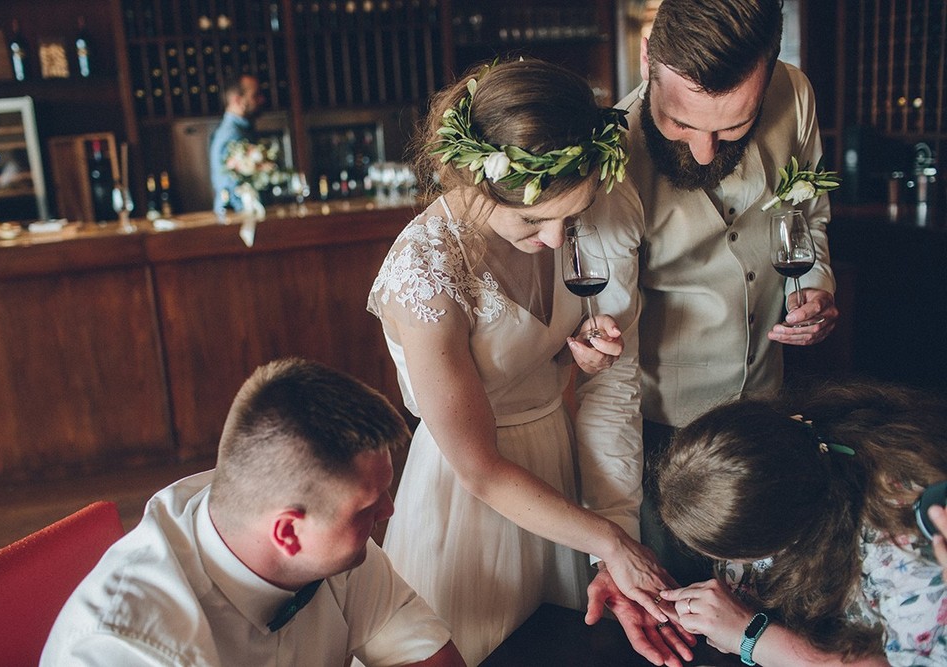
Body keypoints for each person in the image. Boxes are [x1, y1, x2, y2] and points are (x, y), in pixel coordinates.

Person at [367, 57, 687, 666]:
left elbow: (542, 364)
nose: (557, 240)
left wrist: (573, 364)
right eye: (535, 220)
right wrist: (613, 541)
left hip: (558, 473)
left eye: (571, 217)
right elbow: (480, 469)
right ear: (471, 180)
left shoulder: (576, 217)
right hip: (471, 504)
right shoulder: (427, 274)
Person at [590, 0, 840, 586]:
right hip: (666, 441)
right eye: (681, 124)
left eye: (732, 127)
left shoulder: (795, 94)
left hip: (774, 405)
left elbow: (810, 217)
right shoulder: (610, 158)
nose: (705, 150)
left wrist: (814, 286)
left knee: (779, 600)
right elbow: (609, 349)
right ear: (649, 57)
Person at [41, 357, 465, 667]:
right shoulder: (126, 649)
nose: (389, 511)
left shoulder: (333, 541)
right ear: (288, 534)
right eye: (369, 508)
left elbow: (428, 658)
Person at [655, 380, 947, 666]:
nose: (726, 566)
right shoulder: (800, 445)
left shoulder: (906, 552)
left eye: (732, 555)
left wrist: (751, 636)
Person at [209, 73, 265, 214]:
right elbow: (232, 187)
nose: (261, 99)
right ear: (237, 100)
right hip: (239, 218)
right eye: (255, 95)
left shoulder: (241, 129)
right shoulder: (232, 135)